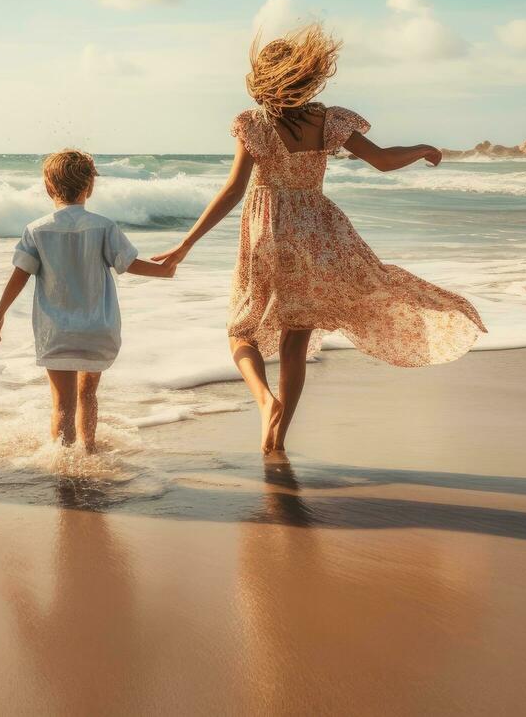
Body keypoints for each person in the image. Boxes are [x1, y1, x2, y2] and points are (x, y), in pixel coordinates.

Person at [151, 24, 486, 454]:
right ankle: (277, 439)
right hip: (318, 231)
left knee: (242, 330)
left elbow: (233, 191)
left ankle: (263, 402)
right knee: (296, 334)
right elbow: (382, 161)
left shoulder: (252, 124)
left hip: (266, 228)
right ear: (306, 76)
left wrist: (185, 244)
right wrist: (422, 149)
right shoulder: (328, 120)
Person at [0, 149, 176, 454]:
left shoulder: (36, 229)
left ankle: (64, 468)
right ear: (89, 187)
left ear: (48, 187)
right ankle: (90, 449)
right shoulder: (103, 226)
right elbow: (129, 263)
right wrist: (164, 270)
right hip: (97, 328)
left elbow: (19, 275)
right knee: (88, 395)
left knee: (62, 405)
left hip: (56, 332)